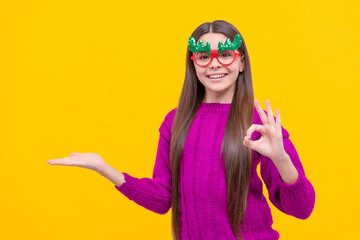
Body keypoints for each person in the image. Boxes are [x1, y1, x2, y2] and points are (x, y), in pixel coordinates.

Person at [47, 20, 315, 240]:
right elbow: (163, 199)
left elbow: (302, 209)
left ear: (241, 62)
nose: (214, 64)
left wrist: (280, 157)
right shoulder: (175, 122)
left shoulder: (260, 123)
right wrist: (104, 168)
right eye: (203, 56)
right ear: (193, 63)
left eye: (225, 54)